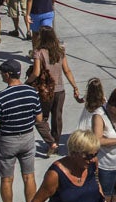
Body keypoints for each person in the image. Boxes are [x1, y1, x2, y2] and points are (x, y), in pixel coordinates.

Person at [0, 58, 43, 202]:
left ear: (8, 74)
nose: (1, 76)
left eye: (1, 73)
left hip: (8, 140)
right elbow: (39, 118)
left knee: (7, 179)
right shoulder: (32, 92)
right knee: (29, 176)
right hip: (27, 137)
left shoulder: (1, 97)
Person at [32, 26, 82, 156]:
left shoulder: (38, 52)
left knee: (41, 118)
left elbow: (36, 72)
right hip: (60, 90)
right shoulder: (60, 51)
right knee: (57, 117)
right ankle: (56, 141)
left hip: (45, 90)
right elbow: (67, 70)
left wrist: (27, 83)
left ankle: (50, 142)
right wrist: (75, 86)